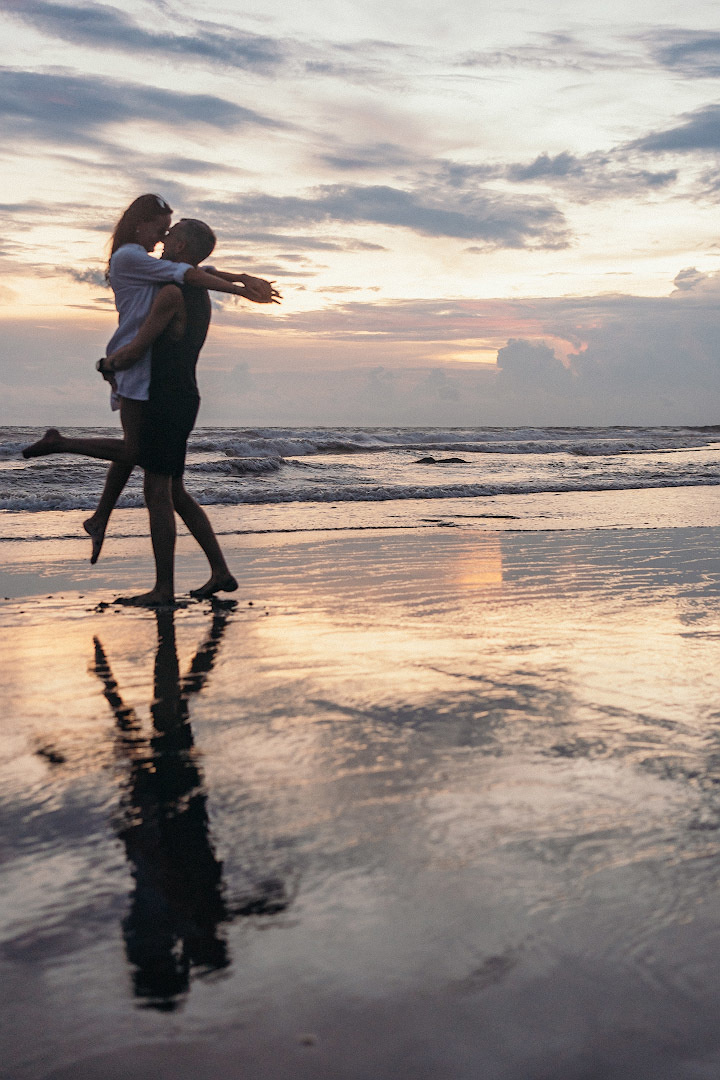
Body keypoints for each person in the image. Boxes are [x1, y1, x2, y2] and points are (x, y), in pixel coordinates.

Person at [23, 193, 277, 564]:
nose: (161, 239)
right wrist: (240, 288)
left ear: (179, 244)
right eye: (159, 229)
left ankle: (72, 463)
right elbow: (191, 272)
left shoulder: (164, 278)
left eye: (167, 234)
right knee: (145, 463)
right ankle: (99, 514)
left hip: (142, 366)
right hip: (139, 367)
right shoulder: (132, 258)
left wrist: (239, 278)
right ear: (140, 224)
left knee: (139, 457)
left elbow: (195, 272)